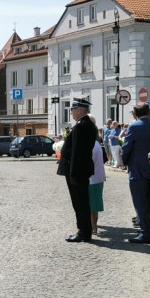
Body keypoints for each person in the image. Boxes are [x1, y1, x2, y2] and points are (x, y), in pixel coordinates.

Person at [57, 98, 98, 242]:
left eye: (72, 110)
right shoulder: (86, 124)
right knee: (81, 201)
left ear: (80, 110)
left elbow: (77, 153)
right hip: (80, 170)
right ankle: (84, 230)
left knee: (79, 202)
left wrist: (73, 173)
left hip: (77, 171)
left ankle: (84, 232)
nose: (71, 113)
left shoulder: (81, 126)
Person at [121, 104, 150, 244]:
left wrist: (124, 162)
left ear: (136, 113)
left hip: (137, 170)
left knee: (140, 203)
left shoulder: (134, 127)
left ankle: (145, 233)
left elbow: (127, 147)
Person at [88, 123, 107, 236]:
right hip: (98, 177)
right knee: (94, 205)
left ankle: (92, 226)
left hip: (92, 179)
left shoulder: (91, 145)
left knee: (91, 206)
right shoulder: (96, 143)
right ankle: (94, 225)